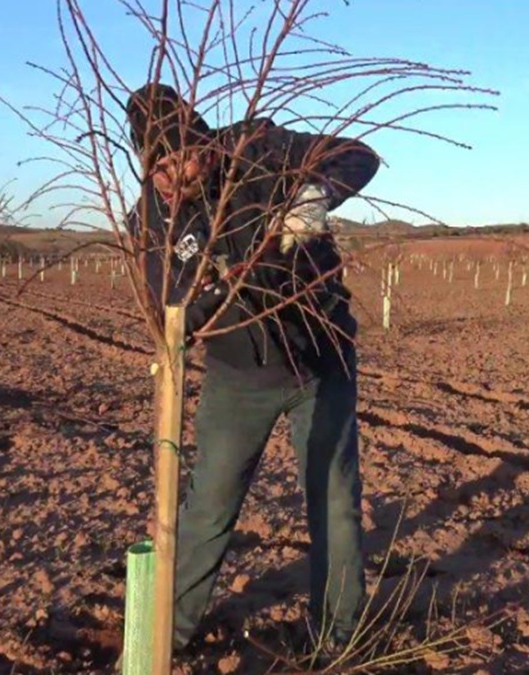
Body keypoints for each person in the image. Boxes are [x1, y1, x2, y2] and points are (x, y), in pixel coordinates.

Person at [124, 83, 380, 654]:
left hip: (322, 359)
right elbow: (174, 311)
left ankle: (338, 638)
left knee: (335, 503)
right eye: (156, 167)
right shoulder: (152, 217)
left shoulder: (257, 147)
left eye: (180, 157)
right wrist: (228, 282)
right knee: (207, 510)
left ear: (203, 141)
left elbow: (358, 155)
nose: (171, 176)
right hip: (237, 378)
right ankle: (165, 638)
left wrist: (314, 194)